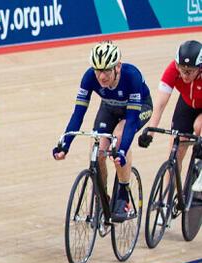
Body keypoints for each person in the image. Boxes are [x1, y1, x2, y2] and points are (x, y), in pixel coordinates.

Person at [53, 40, 152, 222]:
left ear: (118, 67)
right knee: (96, 151)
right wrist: (64, 145)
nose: (102, 76)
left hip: (138, 109)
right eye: (98, 70)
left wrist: (121, 151)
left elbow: (130, 121)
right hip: (110, 108)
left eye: (107, 70)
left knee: (120, 136)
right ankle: (102, 198)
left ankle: (122, 195)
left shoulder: (132, 76)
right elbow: (78, 114)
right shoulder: (89, 77)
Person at [138, 40, 202, 192]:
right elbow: (160, 105)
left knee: (199, 126)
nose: (184, 75)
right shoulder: (172, 70)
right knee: (175, 150)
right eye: (182, 69)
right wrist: (150, 131)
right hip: (186, 104)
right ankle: (166, 200)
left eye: (190, 71)